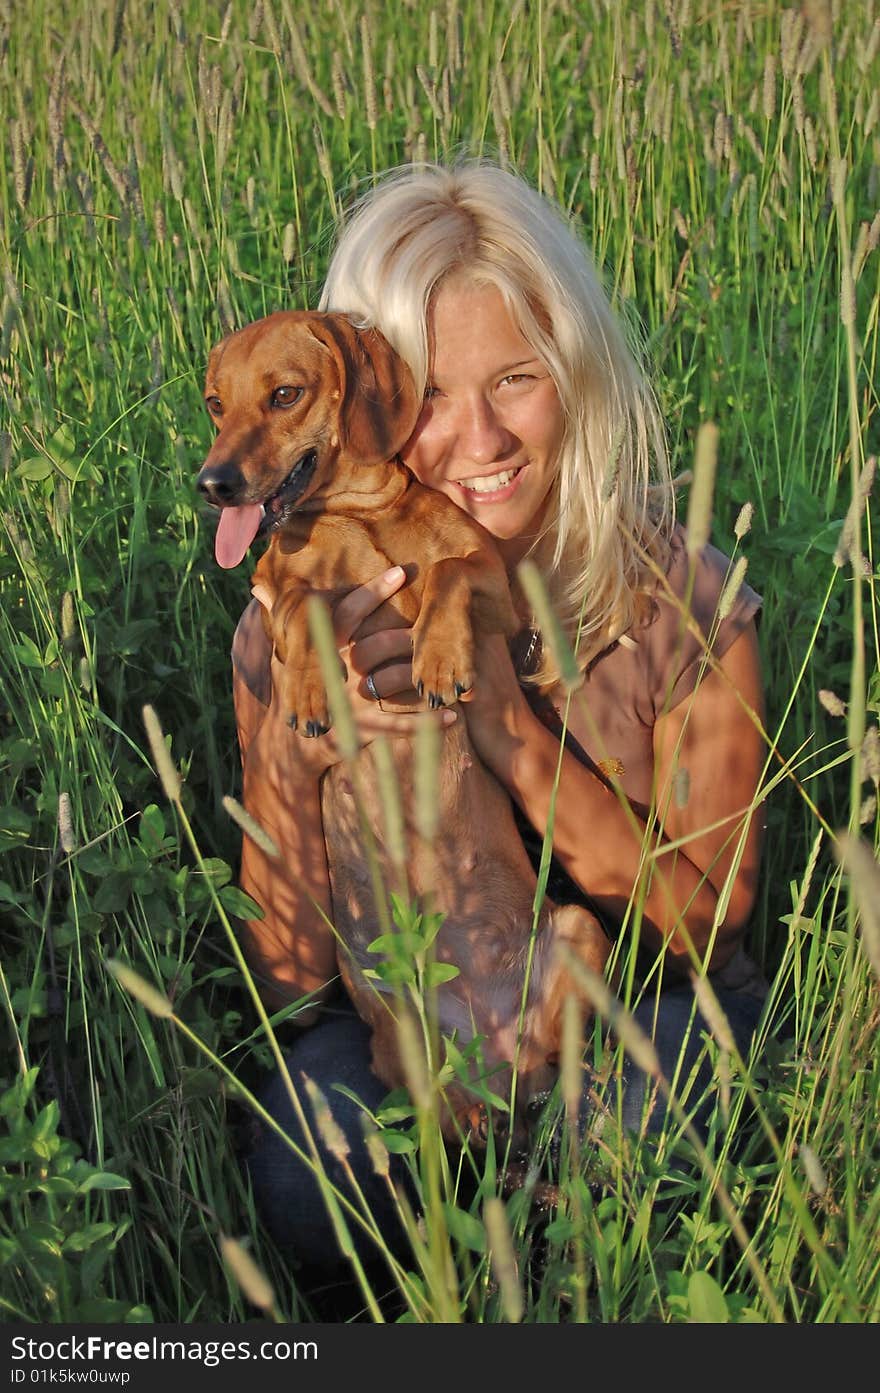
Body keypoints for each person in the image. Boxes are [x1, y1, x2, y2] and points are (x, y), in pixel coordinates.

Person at [229, 160, 767, 1267]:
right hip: (397, 1014)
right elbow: (289, 982)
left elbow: (704, 933)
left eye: (515, 378)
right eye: (425, 395)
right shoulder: (304, 603)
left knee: (641, 1127)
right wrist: (293, 743)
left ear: (577, 373)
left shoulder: (684, 599)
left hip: (624, 998)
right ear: (361, 402)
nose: (476, 441)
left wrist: (510, 732)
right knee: (308, 1169)